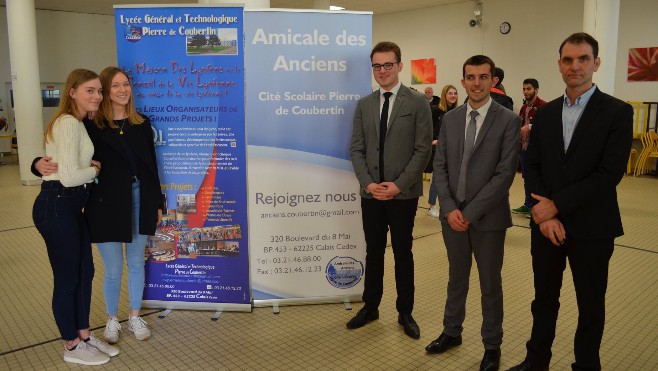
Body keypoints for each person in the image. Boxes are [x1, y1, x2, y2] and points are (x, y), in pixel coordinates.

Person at [507, 32, 633, 371]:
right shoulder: (546, 114)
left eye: (583, 59)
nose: (575, 66)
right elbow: (531, 164)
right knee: (544, 299)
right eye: (568, 60)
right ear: (559, 64)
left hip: (593, 227)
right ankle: (537, 361)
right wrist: (542, 214)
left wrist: (555, 205)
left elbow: (609, 174)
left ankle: (587, 364)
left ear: (596, 63)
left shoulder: (617, 112)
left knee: (591, 304)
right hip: (546, 226)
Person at [427, 55, 520, 371]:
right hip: (452, 216)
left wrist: (470, 213)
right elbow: (439, 167)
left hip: (489, 219)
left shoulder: (508, 120)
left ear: (493, 80)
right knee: (456, 277)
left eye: (483, 77)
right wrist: (451, 209)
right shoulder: (450, 120)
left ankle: (492, 345)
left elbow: (505, 174)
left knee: (490, 284)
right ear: (463, 80)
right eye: (471, 77)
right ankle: (451, 331)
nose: (477, 83)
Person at [31, 69, 118, 366]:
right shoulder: (68, 123)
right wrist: (94, 170)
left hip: (69, 207)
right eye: (89, 90)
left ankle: (84, 334)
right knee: (68, 278)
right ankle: (70, 345)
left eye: (98, 91)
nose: (96, 96)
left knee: (86, 273)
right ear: (72, 92)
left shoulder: (79, 123)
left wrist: (88, 168)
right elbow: (67, 178)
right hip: (56, 204)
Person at [348, 41, 432, 339]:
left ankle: (405, 311)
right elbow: (356, 149)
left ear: (399, 65)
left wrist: (398, 185)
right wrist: (369, 183)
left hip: (403, 195)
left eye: (387, 65)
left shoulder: (417, 102)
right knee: (373, 251)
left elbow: (422, 150)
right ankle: (371, 307)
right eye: (376, 66)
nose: (382, 71)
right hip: (371, 194)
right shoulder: (364, 105)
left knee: (402, 252)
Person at [85, 67, 163, 344]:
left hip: (140, 198)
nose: (122, 90)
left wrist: (158, 201)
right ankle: (110, 319)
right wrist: (38, 163)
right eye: (115, 85)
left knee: (136, 262)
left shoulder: (141, 124)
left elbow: (151, 167)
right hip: (106, 205)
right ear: (105, 91)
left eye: (126, 84)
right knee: (114, 268)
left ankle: (133, 316)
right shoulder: (92, 126)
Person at [511, 79, 546, 218]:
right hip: (523, 148)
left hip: (536, 149)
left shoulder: (543, 106)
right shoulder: (524, 107)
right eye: (524, 89)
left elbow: (545, 126)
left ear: (536, 89)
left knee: (535, 178)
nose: (526, 92)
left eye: (529, 89)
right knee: (526, 178)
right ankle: (527, 204)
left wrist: (530, 127)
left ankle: (536, 206)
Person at [427, 84, 459, 218]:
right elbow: (427, 128)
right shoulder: (435, 110)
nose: (453, 96)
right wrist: (433, 141)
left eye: (455, 93)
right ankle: (432, 206)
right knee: (437, 179)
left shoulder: (458, 112)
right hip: (437, 149)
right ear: (444, 95)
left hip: (452, 150)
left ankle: (445, 205)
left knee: (450, 179)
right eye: (450, 93)